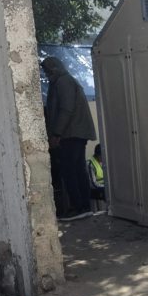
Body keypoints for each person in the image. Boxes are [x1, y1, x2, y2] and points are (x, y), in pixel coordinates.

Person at [41, 56, 96, 221]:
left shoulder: (63, 82)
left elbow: (66, 109)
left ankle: (78, 207)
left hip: (71, 133)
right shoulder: (65, 80)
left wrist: (56, 133)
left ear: (53, 69)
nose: (46, 74)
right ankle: (83, 206)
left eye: (47, 70)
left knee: (70, 170)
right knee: (77, 170)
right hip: (74, 133)